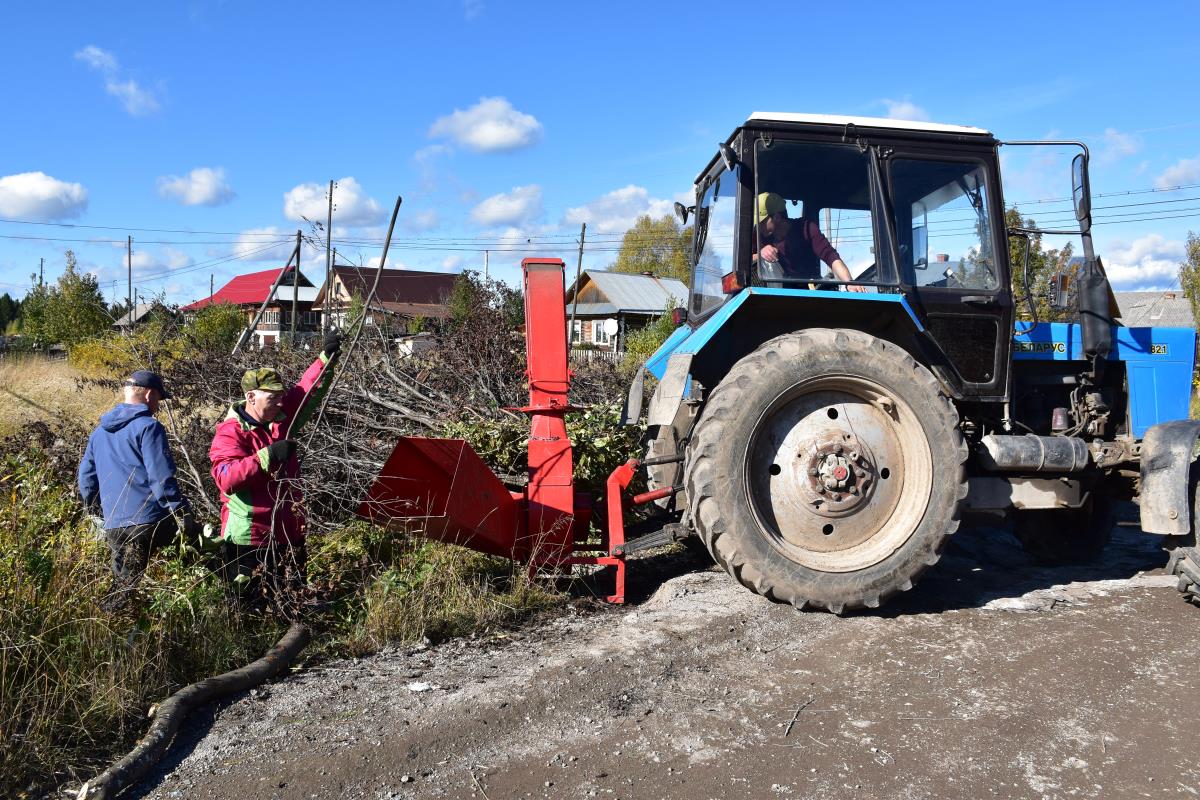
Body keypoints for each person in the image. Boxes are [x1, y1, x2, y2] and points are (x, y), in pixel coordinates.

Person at [209, 331, 341, 611]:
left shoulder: (281, 420)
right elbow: (227, 479)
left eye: (281, 397)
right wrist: (266, 456)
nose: (280, 403)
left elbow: (307, 392)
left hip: (288, 532)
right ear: (251, 397)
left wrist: (325, 359)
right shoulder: (230, 433)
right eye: (273, 398)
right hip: (249, 539)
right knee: (249, 610)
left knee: (291, 603)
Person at [78, 370, 194, 609]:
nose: (158, 407)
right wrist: (179, 512)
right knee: (195, 551)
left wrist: (96, 510)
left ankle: (111, 624)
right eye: (159, 400)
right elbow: (160, 477)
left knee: (124, 583)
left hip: (114, 523)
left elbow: (86, 479)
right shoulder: (149, 427)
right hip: (148, 521)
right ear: (149, 394)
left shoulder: (98, 433)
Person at [754, 192, 868, 292]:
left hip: (809, 292)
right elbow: (744, 261)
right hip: (777, 293)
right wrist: (760, 253)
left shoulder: (806, 229)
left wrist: (850, 283)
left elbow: (831, 257)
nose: (759, 226)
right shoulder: (761, 236)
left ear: (777, 217)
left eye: (762, 222)